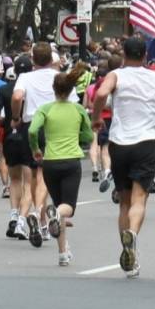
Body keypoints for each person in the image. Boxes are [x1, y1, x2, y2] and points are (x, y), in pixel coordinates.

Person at [86, 36, 155, 279]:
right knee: (140, 198)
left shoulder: (117, 75)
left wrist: (96, 117)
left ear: (124, 55)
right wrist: (152, 123)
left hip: (119, 143)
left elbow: (101, 92)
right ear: (145, 56)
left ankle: (126, 246)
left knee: (123, 201)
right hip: (145, 142)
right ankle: (132, 235)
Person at [30, 64, 95, 267]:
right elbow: (88, 134)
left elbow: (32, 130)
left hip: (50, 161)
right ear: (70, 90)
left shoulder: (45, 109)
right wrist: (80, 137)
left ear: (54, 89)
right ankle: (56, 217)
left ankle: (62, 253)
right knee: (67, 208)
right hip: (71, 160)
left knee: (58, 207)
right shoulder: (78, 109)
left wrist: (35, 149)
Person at [7, 46, 56, 246]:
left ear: (33, 59)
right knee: (44, 174)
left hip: (30, 125)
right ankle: (36, 213)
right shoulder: (58, 75)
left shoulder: (25, 78)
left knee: (31, 176)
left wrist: (16, 117)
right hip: (52, 124)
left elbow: (17, 97)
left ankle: (27, 220)